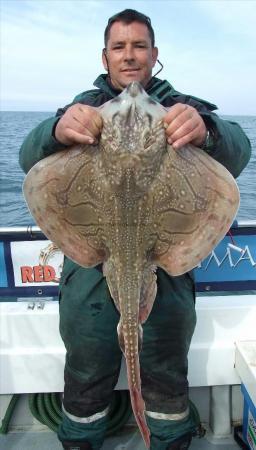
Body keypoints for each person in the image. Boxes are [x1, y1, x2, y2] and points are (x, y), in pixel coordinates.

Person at [19, 9, 251, 450]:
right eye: (119, 47)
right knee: (86, 370)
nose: (129, 56)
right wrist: (56, 130)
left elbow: (238, 152)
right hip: (90, 270)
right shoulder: (80, 106)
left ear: (154, 54)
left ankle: (166, 438)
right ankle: (81, 440)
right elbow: (30, 160)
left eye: (139, 46)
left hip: (163, 267)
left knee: (164, 369)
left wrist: (208, 130)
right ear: (105, 56)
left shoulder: (183, 106)